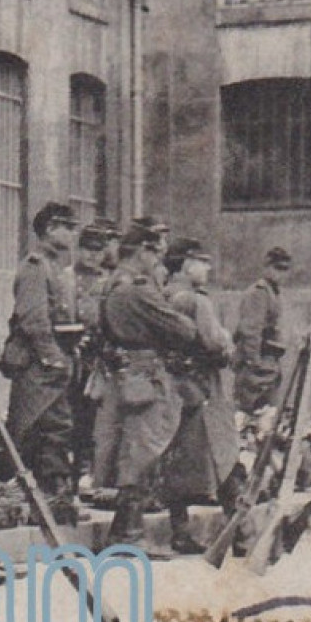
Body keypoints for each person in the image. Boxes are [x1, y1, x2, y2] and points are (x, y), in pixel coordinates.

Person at [93, 230, 200, 545]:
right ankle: (129, 534)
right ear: (142, 252)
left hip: (123, 374)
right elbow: (184, 329)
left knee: (130, 449)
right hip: (147, 374)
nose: (157, 262)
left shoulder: (109, 285)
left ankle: (124, 531)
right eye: (155, 254)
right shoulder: (138, 289)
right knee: (145, 449)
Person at [157, 241, 239, 554]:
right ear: (186, 263)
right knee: (225, 455)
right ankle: (240, 531)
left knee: (177, 461)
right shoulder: (195, 301)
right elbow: (216, 342)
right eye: (202, 262)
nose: (207, 268)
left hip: (175, 387)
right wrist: (228, 344)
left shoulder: (163, 295)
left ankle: (180, 529)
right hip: (206, 389)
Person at [1, 202, 81, 521]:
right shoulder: (35, 267)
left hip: (51, 363)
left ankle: (53, 498)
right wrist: (53, 358)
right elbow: (33, 319)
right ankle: (40, 498)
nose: (73, 234)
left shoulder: (54, 267)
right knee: (36, 427)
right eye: (68, 227)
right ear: (50, 229)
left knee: (54, 428)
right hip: (37, 365)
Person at [71, 219, 119, 496]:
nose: (91, 255)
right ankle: (72, 469)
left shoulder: (106, 282)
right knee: (70, 415)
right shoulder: (66, 277)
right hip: (72, 355)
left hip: (97, 359)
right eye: (87, 249)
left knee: (93, 418)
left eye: (97, 250)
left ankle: (88, 470)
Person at [232, 246, 293, 414]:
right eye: (277, 268)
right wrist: (254, 363)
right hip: (256, 364)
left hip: (270, 361)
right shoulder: (258, 293)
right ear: (267, 267)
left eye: (285, 269)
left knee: (269, 416)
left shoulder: (272, 292)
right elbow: (251, 331)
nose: (281, 274)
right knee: (249, 415)